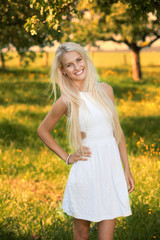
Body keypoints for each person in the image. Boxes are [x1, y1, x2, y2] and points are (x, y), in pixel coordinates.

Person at [37, 42, 135, 240]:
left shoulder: (106, 90)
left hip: (111, 170)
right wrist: (67, 157)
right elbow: (43, 130)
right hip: (87, 171)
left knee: (106, 237)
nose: (77, 67)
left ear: (86, 60)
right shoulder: (67, 100)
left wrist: (126, 169)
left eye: (79, 60)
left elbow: (118, 133)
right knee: (81, 233)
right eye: (69, 65)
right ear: (63, 71)